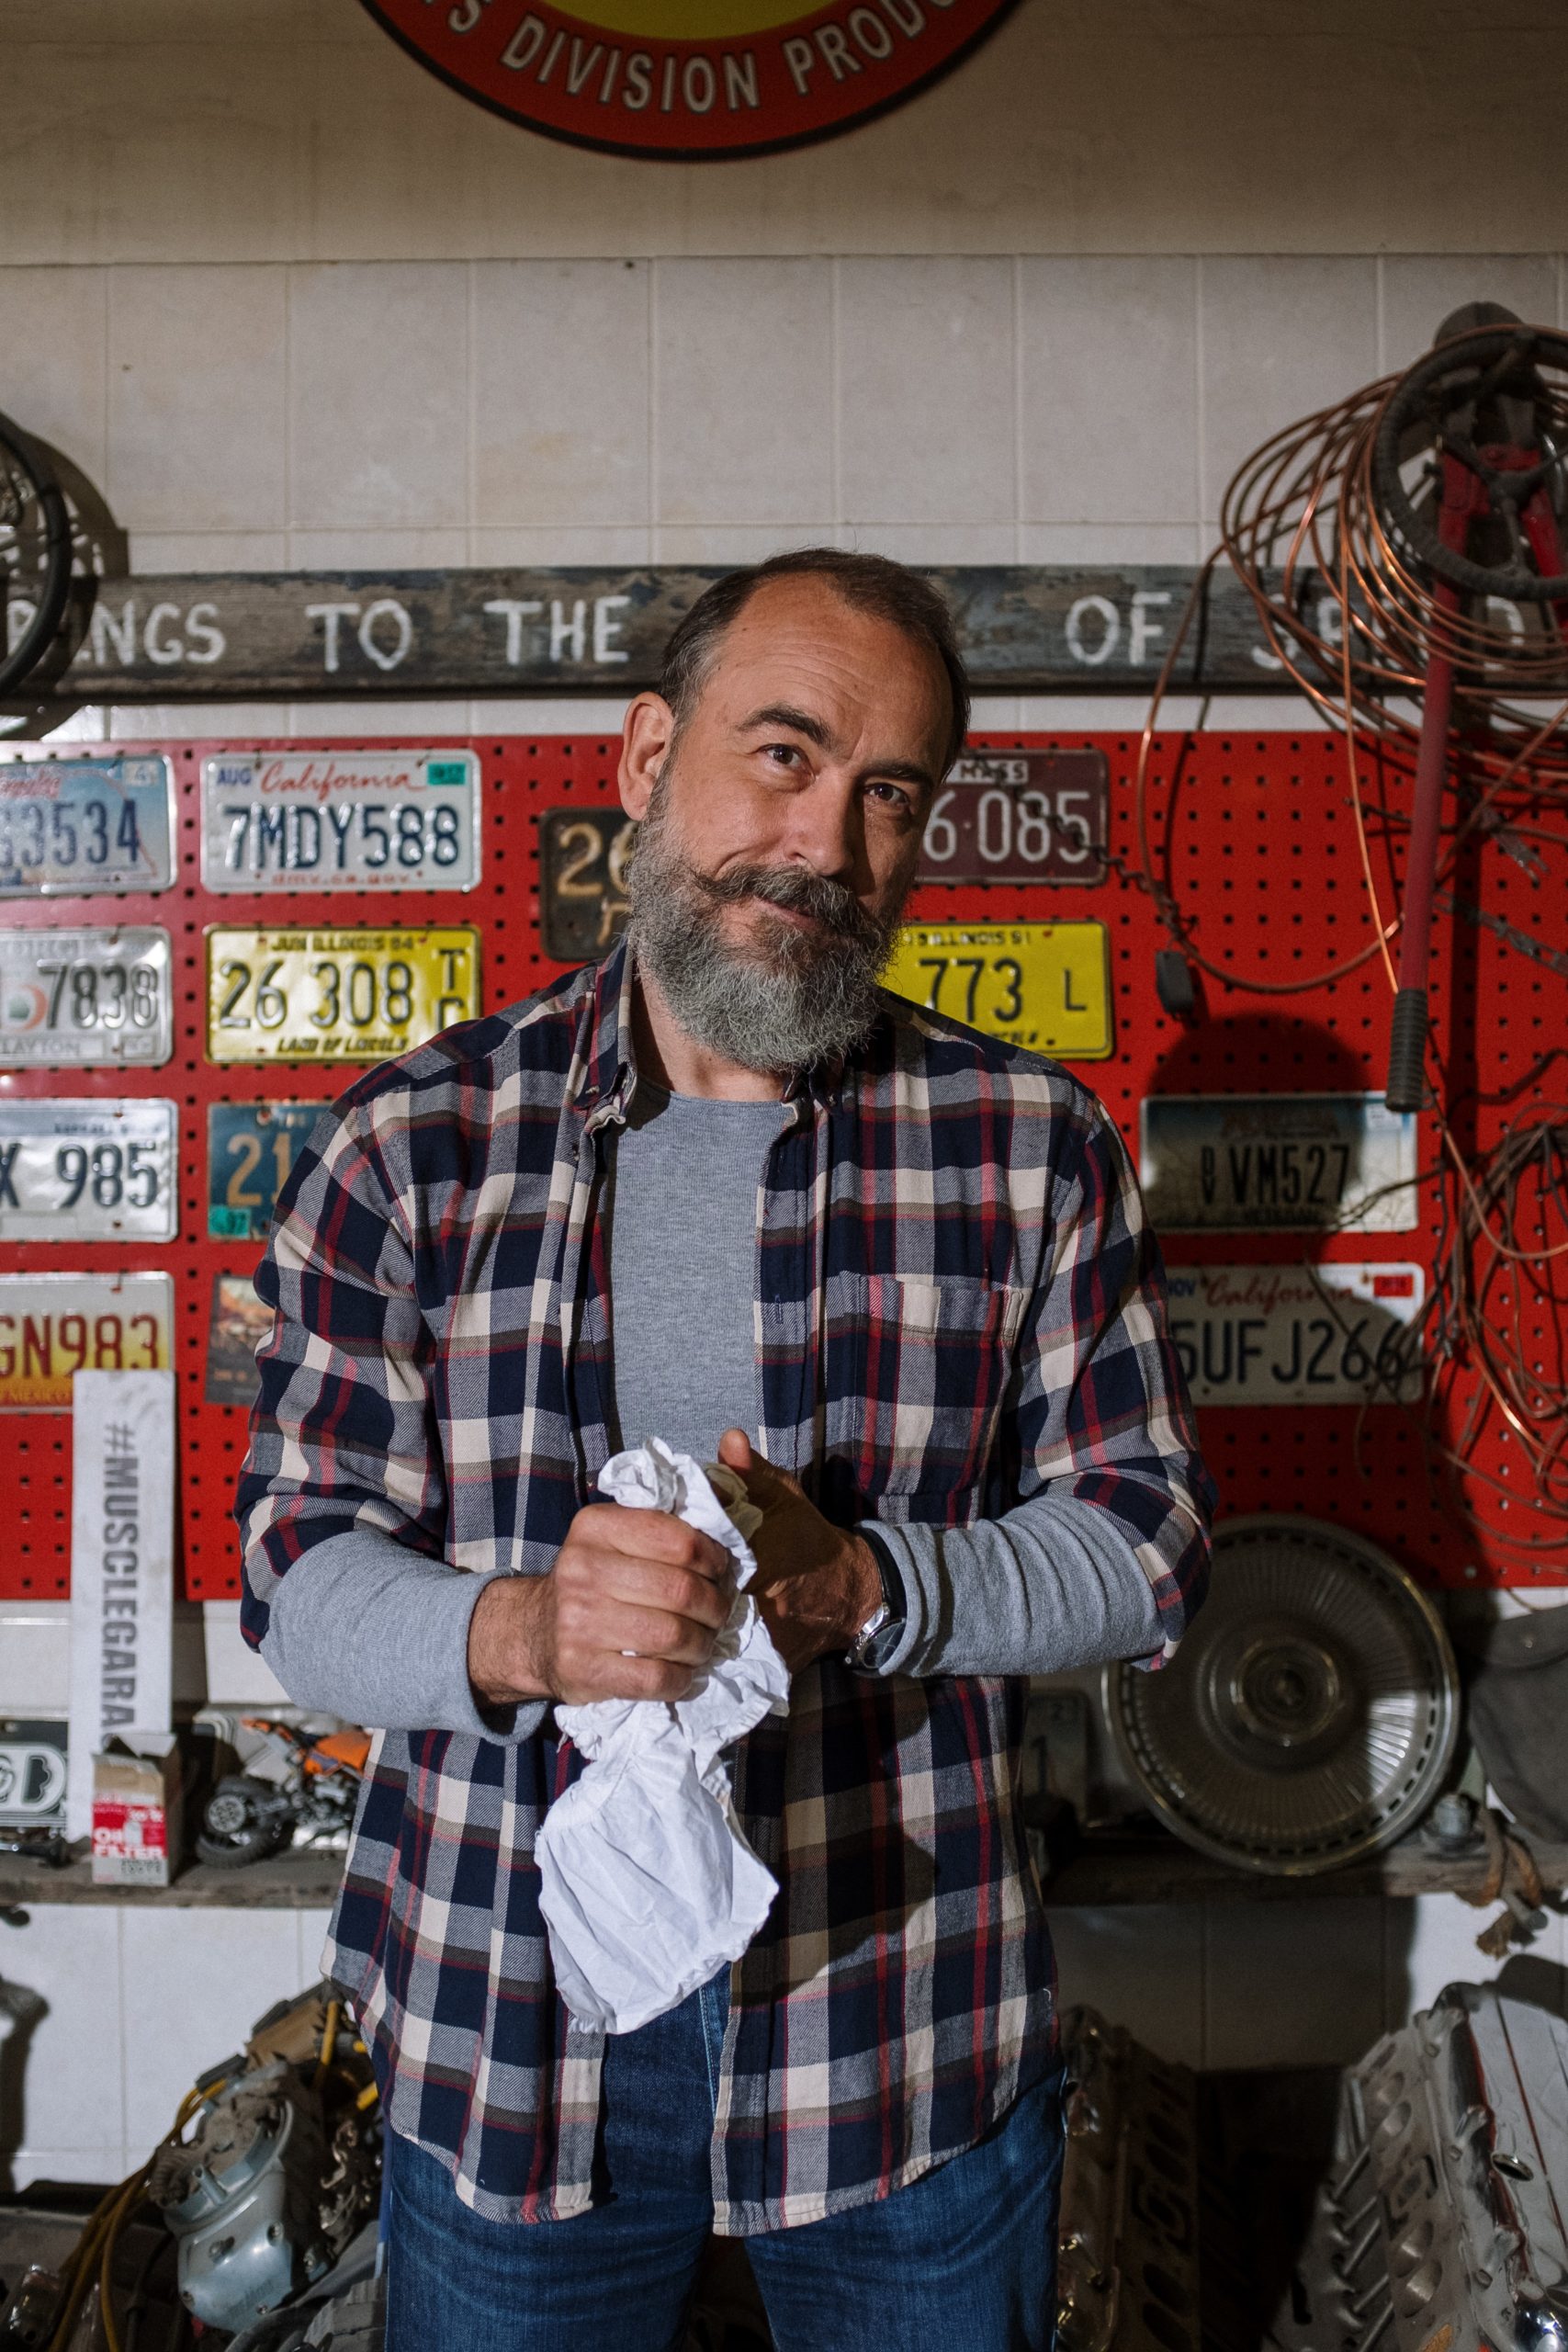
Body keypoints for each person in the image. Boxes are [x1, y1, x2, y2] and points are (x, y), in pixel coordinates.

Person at [235, 548, 1213, 2352]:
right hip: (508, 2031)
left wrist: (873, 1584)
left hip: (896, 2030)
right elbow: (297, 1570)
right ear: (640, 754)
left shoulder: (1022, 1145)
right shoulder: (409, 1146)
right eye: (780, 755)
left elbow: (1143, 1543)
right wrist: (526, 1630)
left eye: (889, 793)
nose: (827, 844)